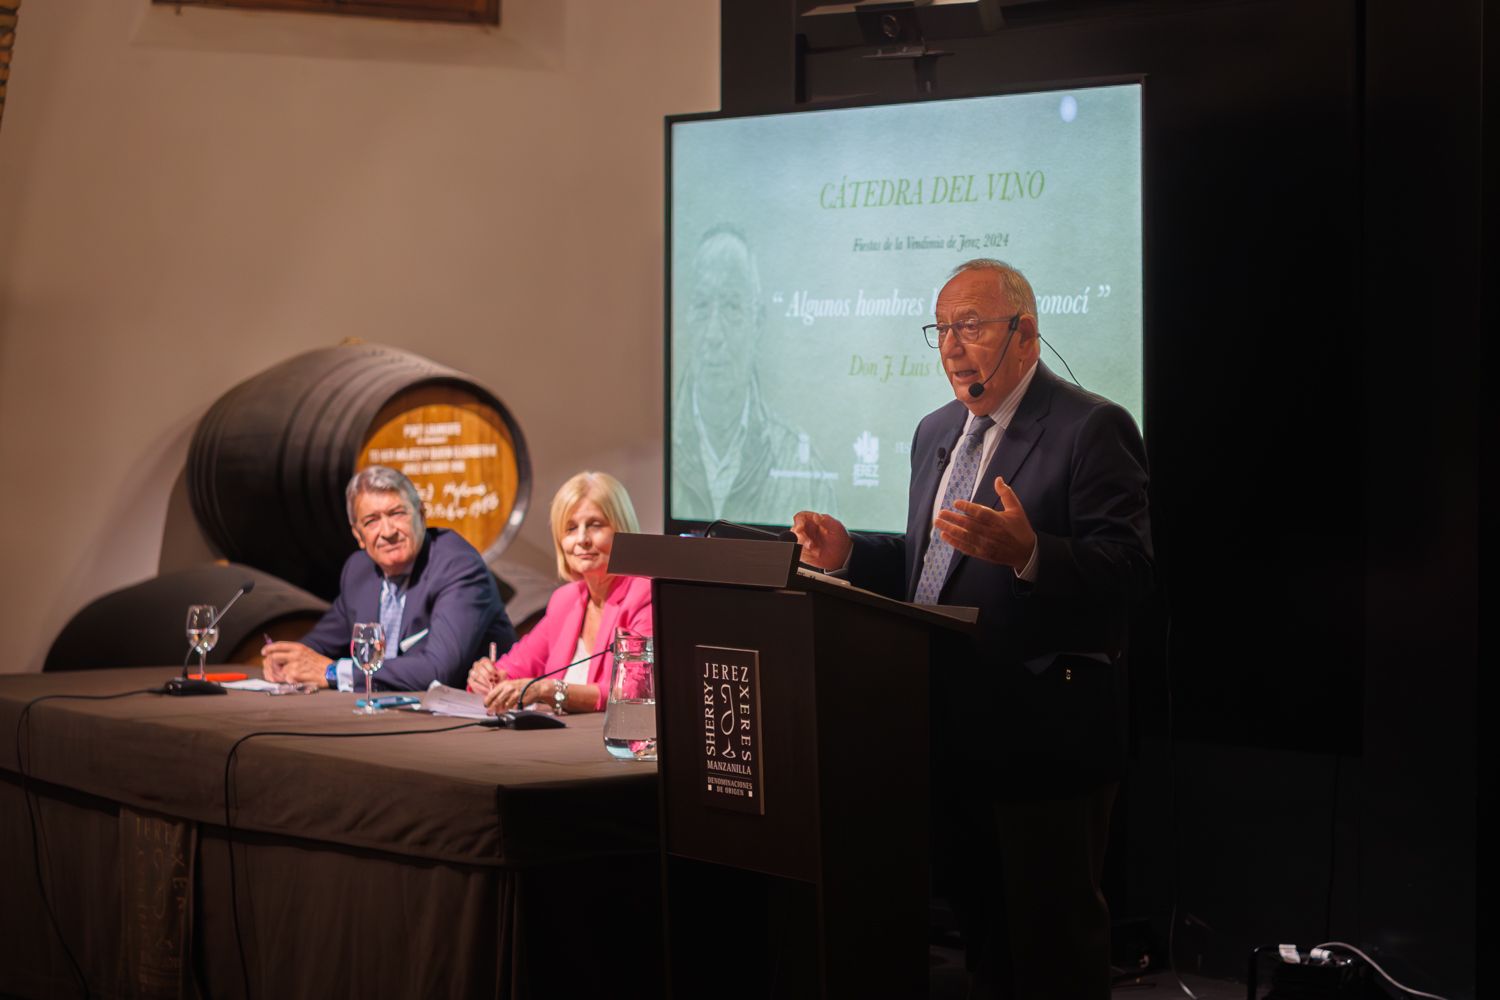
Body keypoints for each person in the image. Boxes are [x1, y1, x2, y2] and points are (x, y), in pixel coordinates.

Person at [791, 260, 1153, 999]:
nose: (953, 347)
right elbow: (932, 567)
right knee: (982, 940)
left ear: (1026, 334)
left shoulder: (1091, 427)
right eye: (942, 329)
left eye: (972, 326)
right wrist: (853, 554)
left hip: (1046, 731)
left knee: (1052, 945)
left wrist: (1030, 553)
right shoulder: (934, 432)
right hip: (948, 727)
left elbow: (1131, 574)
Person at [262, 466, 517, 692]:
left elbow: (438, 670)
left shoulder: (456, 565)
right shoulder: (359, 570)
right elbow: (322, 642)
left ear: (421, 514)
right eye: (372, 521)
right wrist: (287, 660)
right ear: (359, 535)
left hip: (460, 722)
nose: (388, 532)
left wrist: (332, 672)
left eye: (397, 514)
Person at [672, 224, 837, 525]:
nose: (713, 334)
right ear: (687, 317)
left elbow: (828, 570)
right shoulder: (659, 453)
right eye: (701, 306)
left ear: (757, 321)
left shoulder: (801, 467)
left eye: (732, 307)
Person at [467, 471, 651, 715]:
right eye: (571, 528)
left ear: (622, 530)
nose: (582, 539)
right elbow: (513, 669)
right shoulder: (566, 599)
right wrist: (488, 676)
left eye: (595, 525)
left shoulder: (644, 594)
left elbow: (633, 692)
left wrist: (549, 690)